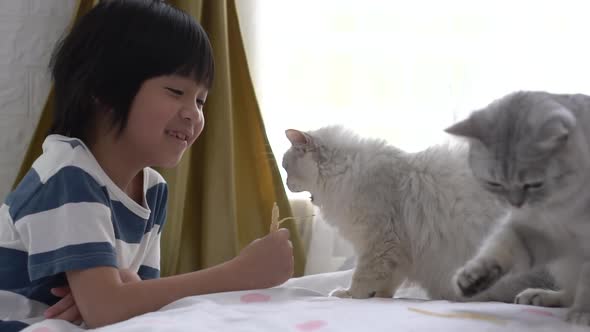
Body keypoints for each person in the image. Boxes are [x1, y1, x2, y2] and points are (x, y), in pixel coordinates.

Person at [0, 1, 294, 330]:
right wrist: (238, 274)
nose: (193, 114)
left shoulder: (153, 190)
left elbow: (136, 306)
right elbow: (109, 310)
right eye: (176, 91)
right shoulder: (68, 173)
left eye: (200, 100)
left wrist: (120, 291)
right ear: (104, 89)